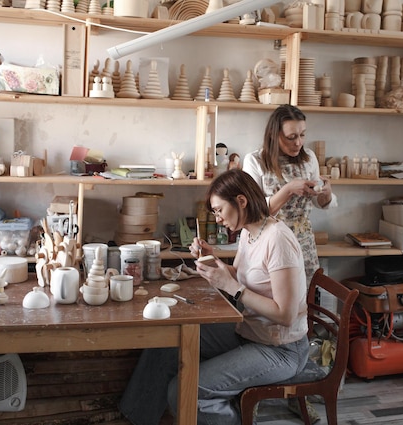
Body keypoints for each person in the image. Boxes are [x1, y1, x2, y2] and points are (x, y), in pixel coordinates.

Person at [118, 169, 309, 424]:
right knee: (166, 341)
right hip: (250, 333)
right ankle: (135, 419)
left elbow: (285, 315)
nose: (218, 219)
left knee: (184, 391)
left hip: (281, 349)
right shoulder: (249, 232)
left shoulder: (277, 239)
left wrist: (232, 287)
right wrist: (212, 260)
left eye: (219, 210)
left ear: (241, 201)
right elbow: (240, 275)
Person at [243, 104, 337, 288]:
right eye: (291, 137)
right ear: (273, 135)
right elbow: (252, 212)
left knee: (303, 301)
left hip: (302, 241)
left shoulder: (308, 158)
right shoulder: (255, 161)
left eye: (302, 135)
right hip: (268, 242)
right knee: (272, 300)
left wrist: (326, 194)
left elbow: (317, 202)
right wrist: (287, 190)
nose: (298, 143)